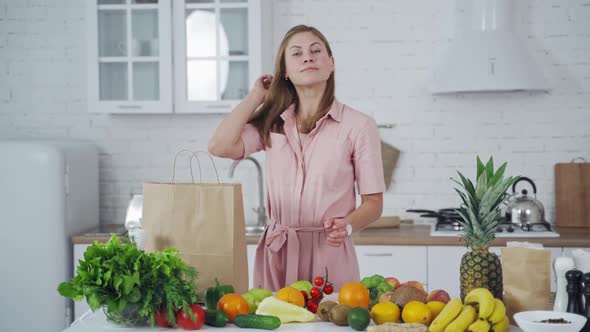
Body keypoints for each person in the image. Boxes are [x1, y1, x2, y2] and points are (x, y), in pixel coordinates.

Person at [208, 25, 385, 291]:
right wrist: (256, 96)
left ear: (331, 64)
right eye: (297, 53)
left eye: (316, 51)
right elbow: (219, 146)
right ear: (286, 72)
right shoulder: (272, 122)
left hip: (330, 254)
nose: (308, 57)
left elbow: (374, 203)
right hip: (277, 254)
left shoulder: (359, 126)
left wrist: (347, 225)